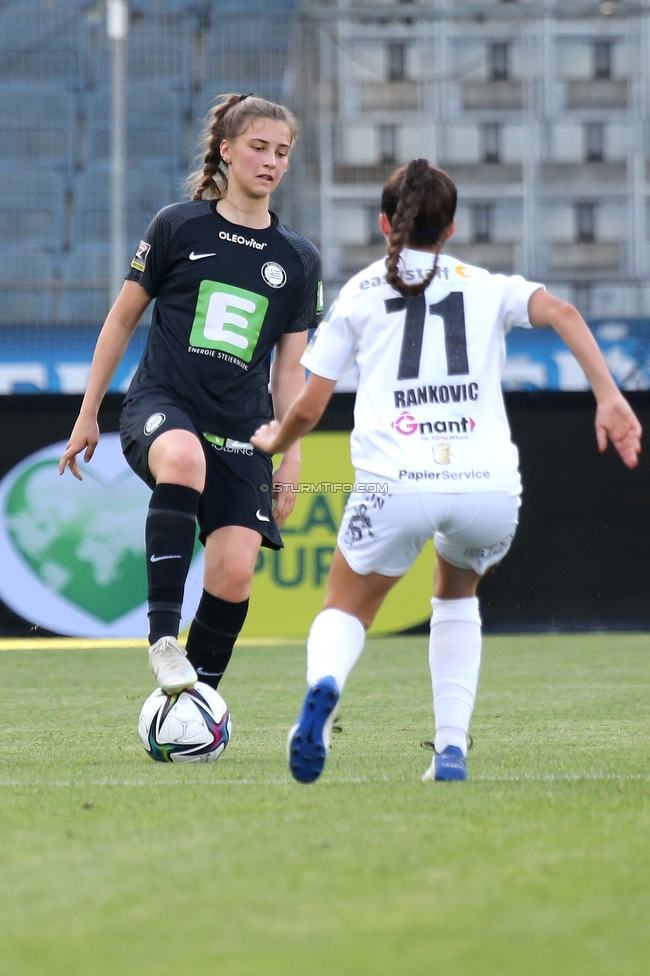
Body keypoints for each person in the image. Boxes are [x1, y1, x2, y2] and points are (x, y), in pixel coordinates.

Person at [251, 157, 642, 784]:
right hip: (487, 487)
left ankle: (321, 695)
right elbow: (564, 311)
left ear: (384, 224)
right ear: (452, 229)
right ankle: (451, 751)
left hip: (396, 483)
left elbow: (312, 403)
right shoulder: (486, 286)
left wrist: (278, 438)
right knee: (457, 597)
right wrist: (609, 396)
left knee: (346, 608)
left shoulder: (359, 293)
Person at [59, 93, 321, 695]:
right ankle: (162, 640)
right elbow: (121, 320)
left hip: (245, 428)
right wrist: (88, 413)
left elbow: (290, 369)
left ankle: (194, 709)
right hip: (163, 403)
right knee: (183, 457)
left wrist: (292, 453)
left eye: (282, 152)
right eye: (258, 147)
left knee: (234, 576)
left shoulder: (299, 259)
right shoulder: (178, 225)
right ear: (225, 151)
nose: (271, 162)